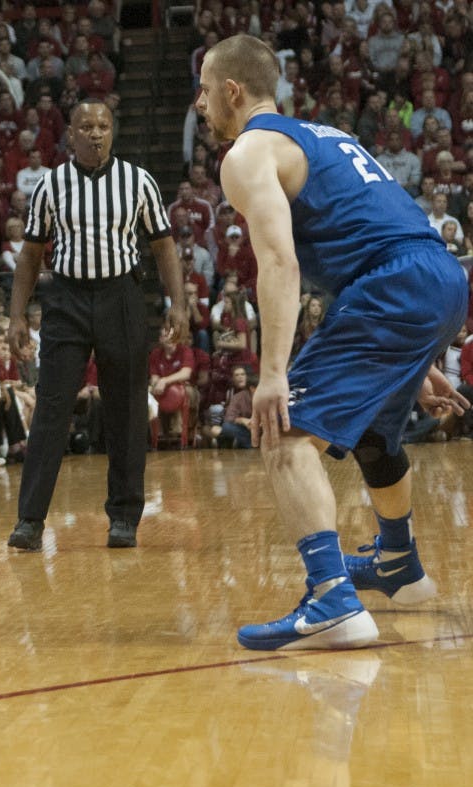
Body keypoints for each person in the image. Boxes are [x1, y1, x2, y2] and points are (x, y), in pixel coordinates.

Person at [197, 35, 469, 651]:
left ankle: (331, 601)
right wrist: (421, 357)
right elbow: (384, 233)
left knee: (284, 433)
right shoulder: (324, 135)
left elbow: (279, 262)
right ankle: (398, 563)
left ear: (232, 92)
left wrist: (271, 375)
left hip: (395, 285)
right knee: (375, 435)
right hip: (438, 277)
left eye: (206, 91)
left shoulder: (246, 154)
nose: (201, 104)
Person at [6, 100, 185, 551]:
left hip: (121, 297)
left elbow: (164, 246)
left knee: (125, 409)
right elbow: (30, 255)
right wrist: (15, 316)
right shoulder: (50, 185)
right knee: (51, 406)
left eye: (104, 125)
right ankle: (30, 520)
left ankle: (124, 518)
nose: (96, 133)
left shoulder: (138, 181)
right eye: (86, 126)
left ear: (113, 131)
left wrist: (177, 304)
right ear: (70, 135)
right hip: (65, 299)